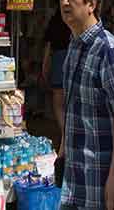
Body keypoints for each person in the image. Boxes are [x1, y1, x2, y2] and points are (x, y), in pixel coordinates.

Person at [58, 0, 114, 210]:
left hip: (101, 181)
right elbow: (74, 106)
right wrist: (63, 150)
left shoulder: (108, 50)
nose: (63, 2)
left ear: (91, 4)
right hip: (76, 179)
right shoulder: (74, 45)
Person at [42, 9, 73, 140]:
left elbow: (48, 46)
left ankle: (64, 132)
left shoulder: (55, 20)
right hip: (74, 57)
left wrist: (45, 66)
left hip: (59, 59)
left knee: (58, 101)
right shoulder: (77, 19)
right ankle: (69, 133)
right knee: (72, 99)